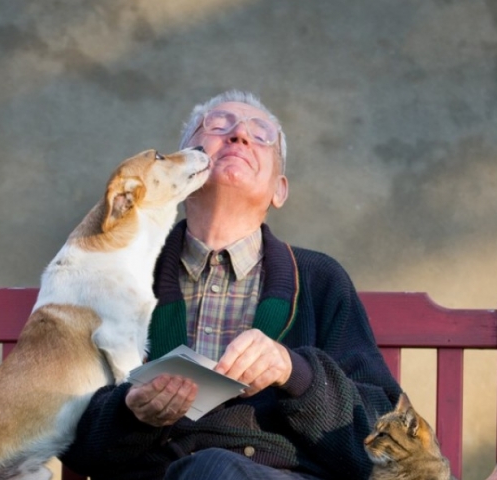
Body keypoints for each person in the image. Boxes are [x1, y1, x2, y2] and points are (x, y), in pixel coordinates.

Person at [59, 90, 402, 479]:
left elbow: (381, 444)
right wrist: (130, 412)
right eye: (218, 125)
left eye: (261, 135)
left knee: (216, 469)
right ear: (181, 172)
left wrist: (296, 372)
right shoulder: (121, 280)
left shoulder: (321, 280)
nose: (238, 135)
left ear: (279, 190)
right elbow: (71, 438)